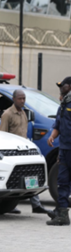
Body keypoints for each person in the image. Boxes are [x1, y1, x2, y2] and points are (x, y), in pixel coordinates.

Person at [0, 89, 55, 217]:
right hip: (12, 151)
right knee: (14, 178)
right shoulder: (7, 114)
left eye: (24, 98)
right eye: (20, 98)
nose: (22, 101)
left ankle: (36, 204)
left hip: (24, 150)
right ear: (14, 99)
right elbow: (1, 135)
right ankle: (9, 205)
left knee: (30, 176)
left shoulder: (24, 113)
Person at [47, 77, 71, 226]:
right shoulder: (62, 105)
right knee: (62, 181)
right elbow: (58, 124)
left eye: (63, 86)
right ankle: (62, 213)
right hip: (64, 149)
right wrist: (52, 136)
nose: (61, 88)